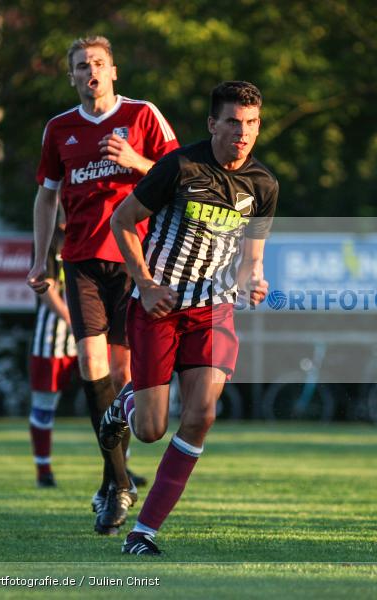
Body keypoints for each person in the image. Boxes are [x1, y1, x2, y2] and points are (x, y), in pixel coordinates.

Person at [99, 80, 276, 556]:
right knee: (150, 430)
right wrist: (144, 283)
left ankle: (142, 533)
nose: (243, 132)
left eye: (251, 123)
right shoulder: (179, 167)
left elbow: (252, 259)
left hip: (213, 310)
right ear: (213, 124)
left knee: (201, 416)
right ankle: (123, 406)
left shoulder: (264, 185)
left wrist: (254, 281)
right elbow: (121, 220)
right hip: (159, 307)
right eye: (233, 122)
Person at [25, 35, 179, 534]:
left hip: (135, 262)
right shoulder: (59, 129)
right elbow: (46, 197)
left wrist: (137, 163)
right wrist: (40, 259)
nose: (90, 71)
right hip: (82, 261)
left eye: (97, 63)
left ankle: (113, 482)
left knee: (120, 372)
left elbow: (183, 176)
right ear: (71, 76)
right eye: (80, 65)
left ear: (113, 71)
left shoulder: (142, 115)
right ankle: (118, 483)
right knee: (91, 365)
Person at [28, 220, 78, 487]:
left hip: (94, 329)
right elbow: (45, 286)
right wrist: (70, 318)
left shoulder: (94, 230)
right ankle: (43, 470)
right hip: (53, 333)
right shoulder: (47, 237)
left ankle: (120, 469)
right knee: (44, 403)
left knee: (109, 398)